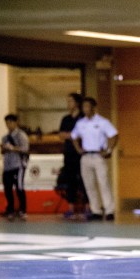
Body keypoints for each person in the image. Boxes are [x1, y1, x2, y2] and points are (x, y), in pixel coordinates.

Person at [69, 97, 118, 221]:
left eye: (87, 106)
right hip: (85, 156)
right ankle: (95, 210)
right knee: (89, 184)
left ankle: (109, 210)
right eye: (83, 107)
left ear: (93, 108)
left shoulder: (102, 122)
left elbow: (114, 135)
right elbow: (73, 136)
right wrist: (78, 149)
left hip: (98, 155)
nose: (85, 109)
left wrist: (109, 150)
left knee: (103, 183)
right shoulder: (80, 123)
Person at [57, 92, 88, 220]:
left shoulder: (83, 118)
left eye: (70, 101)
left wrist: (71, 135)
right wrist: (73, 134)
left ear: (77, 103)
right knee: (70, 181)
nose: (68, 104)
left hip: (81, 153)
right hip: (69, 153)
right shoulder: (66, 119)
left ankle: (87, 207)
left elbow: (83, 134)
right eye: (67, 101)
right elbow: (61, 135)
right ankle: (70, 208)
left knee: (84, 179)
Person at [0, 114, 29, 221]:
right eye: (7, 123)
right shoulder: (5, 137)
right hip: (7, 165)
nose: (8, 125)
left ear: (16, 122)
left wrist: (12, 148)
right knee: (7, 188)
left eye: (11, 122)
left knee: (19, 187)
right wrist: (4, 148)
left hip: (18, 165)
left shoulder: (21, 135)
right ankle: (10, 209)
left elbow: (25, 149)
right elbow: (2, 151)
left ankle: (23, 209)